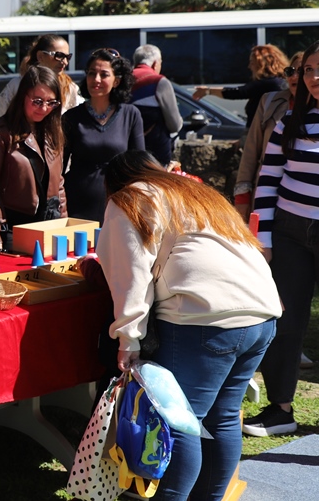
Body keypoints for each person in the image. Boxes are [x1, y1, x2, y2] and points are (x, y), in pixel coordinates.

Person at [98, 150, 280, 500]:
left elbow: (129, 274)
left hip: (204, 318)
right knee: (222, 418)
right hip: (261, 313)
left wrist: (128, 337)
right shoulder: (199, 193)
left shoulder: (129, 198)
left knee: (181, 423)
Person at [246, 40, 319, 436]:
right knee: (285, 319)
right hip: (289, 233)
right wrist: (265, 239)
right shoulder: (289, 120)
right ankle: (281, 410)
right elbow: (269, 180)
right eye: (308, 70)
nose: (313, 77)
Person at [0, 66, 66, 251]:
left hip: (48, 224)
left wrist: (64, 226)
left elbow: (58, 184)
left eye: (51, 103)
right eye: (37, 101)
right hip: (11, 226)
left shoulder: (53, 131)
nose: (44, 108)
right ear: (22, 96)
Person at [63, 48, 144, 222]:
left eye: (104, 74)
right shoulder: (71, 117)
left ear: (117, 81)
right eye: (92, 73)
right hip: (77, 205)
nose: (96, 80)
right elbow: (58, 167)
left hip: (119, 206)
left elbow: (139, 166)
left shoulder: (131, 114)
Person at [233, 50, 304, 220]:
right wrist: (242, 196)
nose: (294, 77)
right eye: (290, 71)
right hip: (267, 194)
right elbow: (251, 152)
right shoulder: (270, 102)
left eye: (301, 71)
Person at [0, 34, 83, 122]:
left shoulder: (69, 88)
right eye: (59, 56)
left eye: (68, 57)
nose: (65, 62)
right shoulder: (17, 86)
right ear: (40, 56)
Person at [193, 44, 288, 128]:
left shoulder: (269, 83)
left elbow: (238, 92)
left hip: (262, 133)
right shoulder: (280, 82)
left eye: (252, 62)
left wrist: (207, 91)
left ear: (262, 64)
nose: (249, 66)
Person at [130, 44, 182, 165]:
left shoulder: (120, 81)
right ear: (155, 64)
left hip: (125, 153)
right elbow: (174, 125)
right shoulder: (158, 82)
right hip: (154, 157)